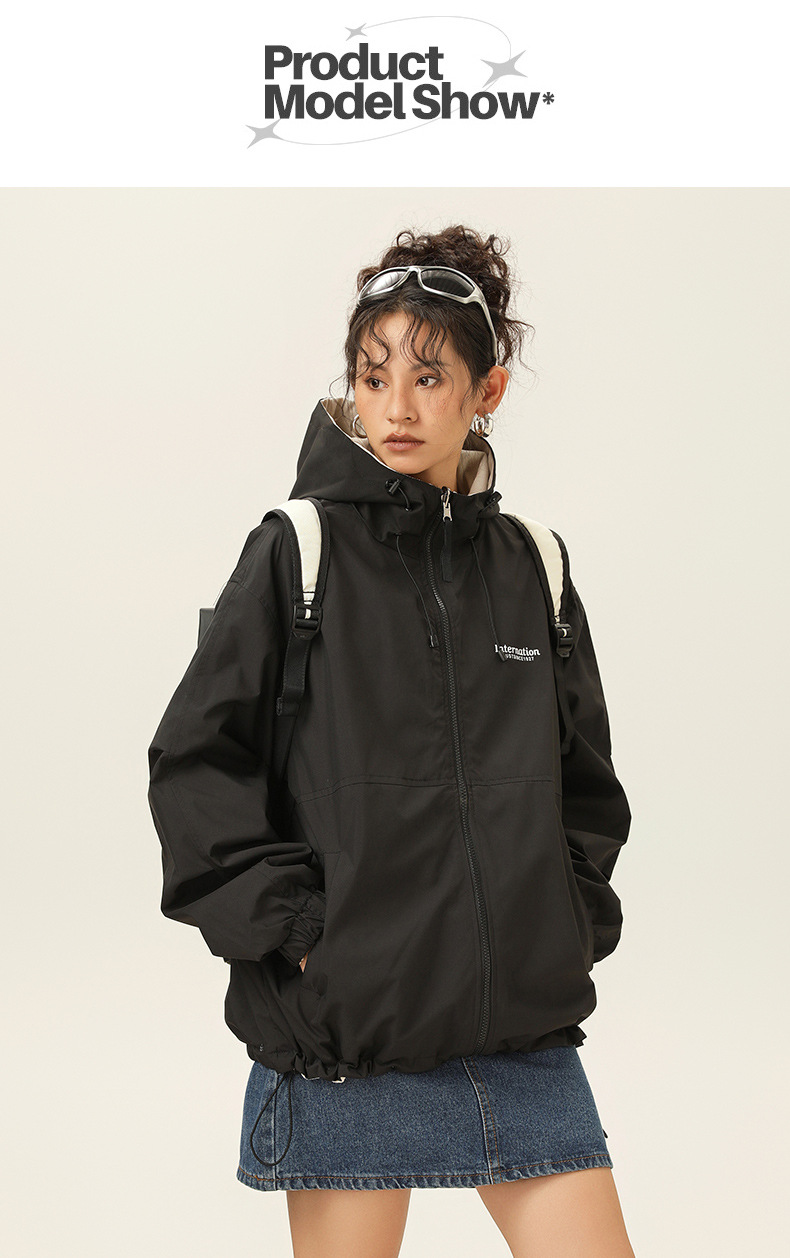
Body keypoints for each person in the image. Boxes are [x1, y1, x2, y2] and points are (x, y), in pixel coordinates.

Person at [147, 223, 636, 1258]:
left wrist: (559, 922)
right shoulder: (295, 553)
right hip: (350, 1039)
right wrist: (304, 934)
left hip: (518, 1031)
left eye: (428, 377)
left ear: (485, 391)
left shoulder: (533, 567)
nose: (398, 407)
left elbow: (584, 786)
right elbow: (196, 765)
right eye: (374, 379)